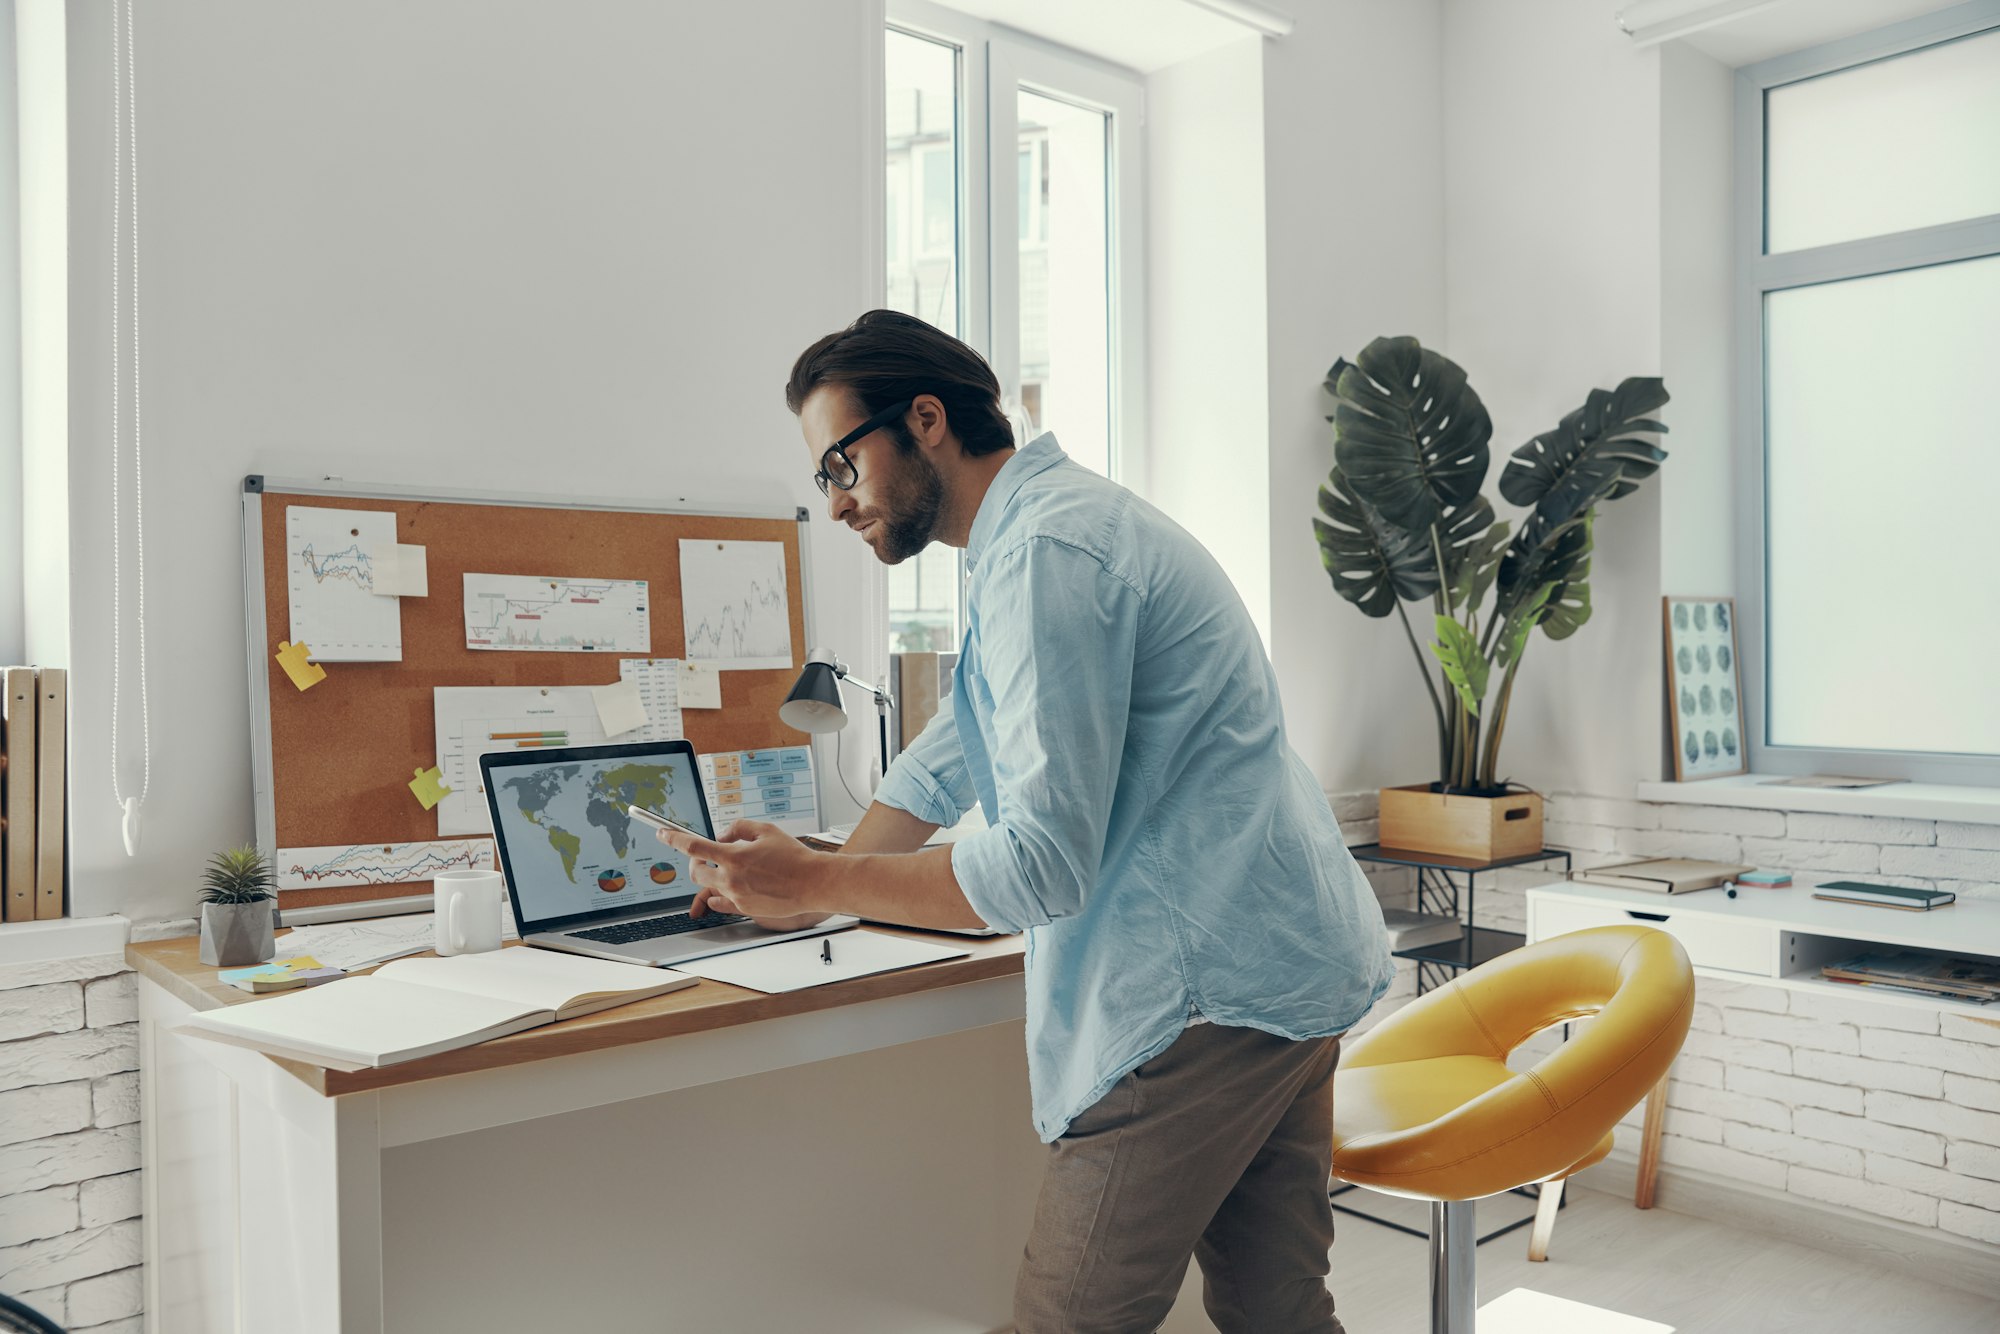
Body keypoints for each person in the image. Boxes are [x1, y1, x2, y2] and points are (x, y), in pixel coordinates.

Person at [656, 309, 1393, 1333]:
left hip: (1203, 995)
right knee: (1276, 1308)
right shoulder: (1038, 529)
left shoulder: (1046, 549)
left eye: (839, 462)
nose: (833, 503)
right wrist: (810, 877)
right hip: (1283, 959)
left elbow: (1043, 864)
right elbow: (961, 738)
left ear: (924, 421)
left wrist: (821, 884)